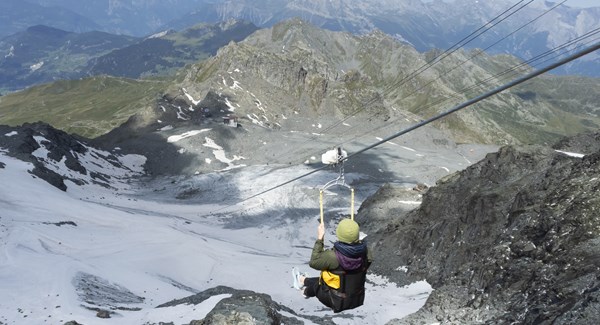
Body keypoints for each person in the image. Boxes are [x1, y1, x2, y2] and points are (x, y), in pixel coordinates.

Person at [293, 218, 372, 313]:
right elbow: (367, 262)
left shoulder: (333, 256)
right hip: (356, 299)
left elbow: (313, 262)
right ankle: (302, 280)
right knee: (330, 279)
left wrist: (320, 238)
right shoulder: (366, 253)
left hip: (336, 301)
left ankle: (304, 292)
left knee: (318, 285)